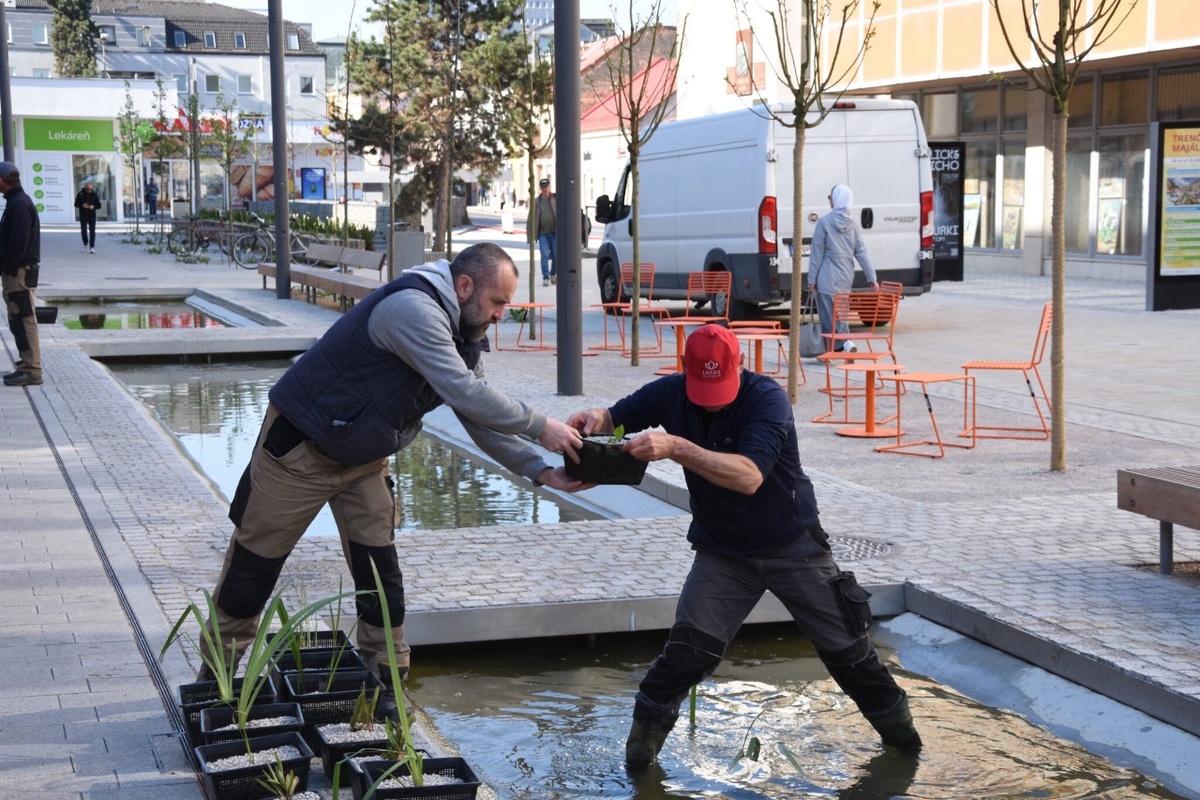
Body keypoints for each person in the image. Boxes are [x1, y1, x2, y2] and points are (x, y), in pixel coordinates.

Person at [197, 242, 588, 702]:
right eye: (498, 302)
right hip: (301, 452)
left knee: (380, 575)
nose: (502, 314)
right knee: (253, 568)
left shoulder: (463, 331)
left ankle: (386, 683)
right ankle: (216, 680)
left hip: (363, 461)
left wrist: (539, 471)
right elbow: (465, 393)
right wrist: (542, 427)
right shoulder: (411, 310)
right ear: (464, 286)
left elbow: (475, 414)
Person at [567, 324, 921, 769]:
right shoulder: (668, 393)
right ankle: (638, 767)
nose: (712, 399)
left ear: (738, 367)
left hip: (793, 546)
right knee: (684, 657)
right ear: (685, 371)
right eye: (702, 388)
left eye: (721, 387)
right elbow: (617, 418)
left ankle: (908, 749)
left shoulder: (767, 398)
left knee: (851, 656)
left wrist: (676, 447)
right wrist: (595, 418)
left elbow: (749, 476)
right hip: (723, 553)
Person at [808, 185, 877, 352]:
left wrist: (811, 279)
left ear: (837, 200)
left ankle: (841, 346)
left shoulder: (824, 223)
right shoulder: (853, 225)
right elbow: (861, 252)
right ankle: (842, 346)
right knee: (841, 313)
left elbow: (817, 253)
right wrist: (871, 278)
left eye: (831, 197)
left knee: (828, 317)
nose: (829, 200)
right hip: (846, 275)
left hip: (826, 276)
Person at [0, 161, 44, 387]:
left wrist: (7, 267)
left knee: (24, 319)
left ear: (1, 180)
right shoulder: (17, 201)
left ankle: (32, 369)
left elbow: (19, 242)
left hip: (18, 273)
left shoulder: (18, 205)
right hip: (18, 271)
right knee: (18, 318)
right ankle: (27, 363)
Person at [532, 177, 556, 287]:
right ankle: (546, 277)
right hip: (543, 234)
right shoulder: (537, 201)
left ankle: (553, 274)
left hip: (555, 233)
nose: (544, 189)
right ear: (540, 188)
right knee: (544, 255)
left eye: (546, 186)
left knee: (556, 255)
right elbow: (533, 218)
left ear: (549, 187)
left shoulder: (555, 198)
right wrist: (533, 234)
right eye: (542, 187)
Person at [74, 181, 100, 253]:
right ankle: (85, 243)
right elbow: (76, 204)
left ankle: (92, 246)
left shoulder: (94, 195)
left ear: (92, 188)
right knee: (83, 230)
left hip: (92, 215)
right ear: (85, 188)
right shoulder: (80, 194)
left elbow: (99, 205)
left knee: (92, 231)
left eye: (90, 189)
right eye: (87, 189)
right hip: (83, 215)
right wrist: (82, 205)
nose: (89, 190)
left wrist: (93, 206)